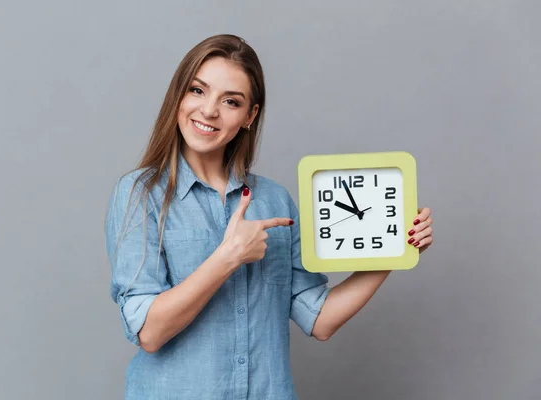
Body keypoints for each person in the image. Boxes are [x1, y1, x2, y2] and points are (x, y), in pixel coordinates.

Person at [104, 34, 433, 400]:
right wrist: (229, 256)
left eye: (230, 101)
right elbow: (149, 331)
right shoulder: (140, 194)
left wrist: (394, 248)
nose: (209, 110)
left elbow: (319, 319)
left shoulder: (274, 200)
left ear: (249, 116)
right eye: (198, 91)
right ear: (178, 95)